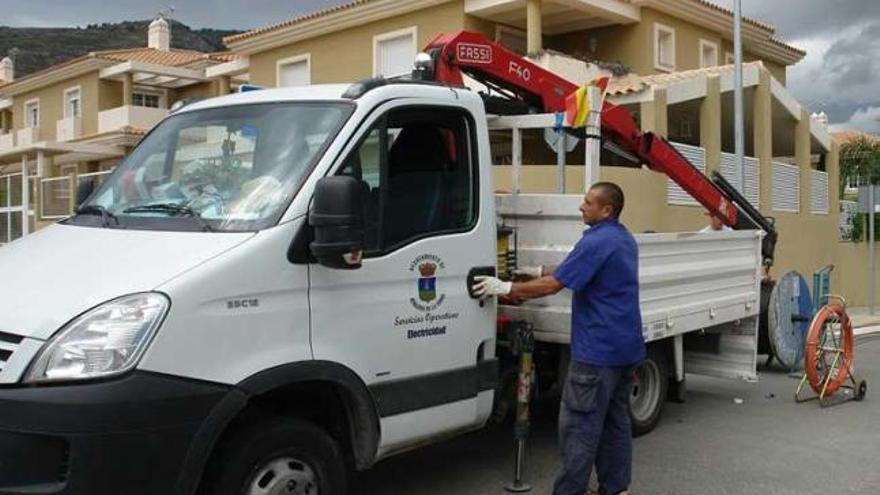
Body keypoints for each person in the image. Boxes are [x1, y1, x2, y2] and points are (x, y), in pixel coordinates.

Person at [473, 182, 645, 495]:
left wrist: (506, 288)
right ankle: (616, 488)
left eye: (589, 202)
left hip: (597, 353)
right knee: (614, 423)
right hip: (625, 349)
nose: (582, 206)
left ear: (607, 210)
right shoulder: (622, 238)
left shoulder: (596, 241)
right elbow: (572, 269)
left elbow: (555, 285)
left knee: (579, 427)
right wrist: (531, 271)